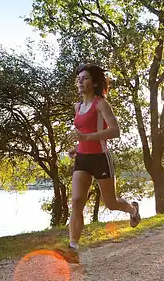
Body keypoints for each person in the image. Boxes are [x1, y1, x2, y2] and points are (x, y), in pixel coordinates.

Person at [55, 64, 140, 263]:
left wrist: (86, 138)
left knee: (111, 203)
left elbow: (115, 131)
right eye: (79, 79)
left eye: (84, 78)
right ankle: (73, 249)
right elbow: (84, 136)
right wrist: (78, 147)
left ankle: (133, 210)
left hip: (101, 158)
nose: (80, 82)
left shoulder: (101, 104)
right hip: (82, 159)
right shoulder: (77, 107)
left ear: (93, 83)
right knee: (76, 201)